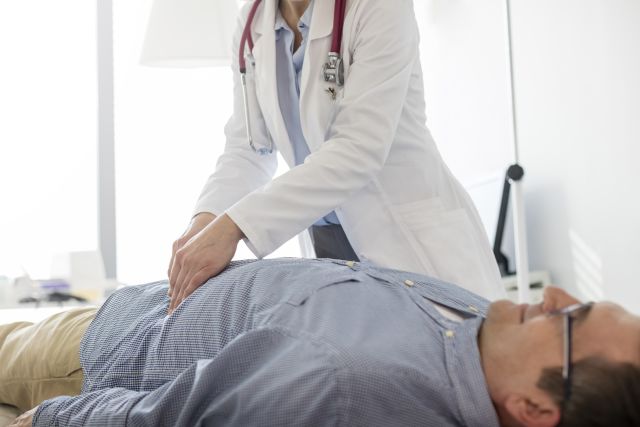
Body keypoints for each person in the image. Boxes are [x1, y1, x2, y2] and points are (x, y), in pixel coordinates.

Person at [2, 258, 639, 426]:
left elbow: (169, 418)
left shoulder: (341, 385)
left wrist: (53, 417)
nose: (556, 297)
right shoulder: (483, 327)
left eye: (572, 322)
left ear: (533, 407)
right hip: (144, 307)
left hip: (93, 359)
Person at [167, 0, 505, 312]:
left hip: (410, 242)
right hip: (329, 248)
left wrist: (233, 226)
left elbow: (358, 148)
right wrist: (202, 225)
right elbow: (248, 149)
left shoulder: (377, 6)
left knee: (457, 366)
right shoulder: (252, 23)